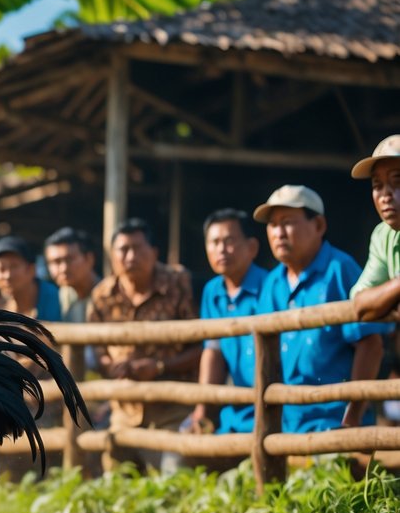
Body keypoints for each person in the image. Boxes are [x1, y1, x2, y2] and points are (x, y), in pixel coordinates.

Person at [254, 185, 390, 432]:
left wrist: (352, 417)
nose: (278, 233)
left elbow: (370, 345)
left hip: (333, 422)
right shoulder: (272, 283)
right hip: (285, 425)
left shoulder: (340, 269)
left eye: (287, 222)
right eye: (272, 225)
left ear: (318, 225)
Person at [88, 218, 200, 472]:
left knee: (174, 474)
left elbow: (202, 346)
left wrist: (160, 366)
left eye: (138, 249)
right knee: (115, 480)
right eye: (123, 250)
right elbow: (98, 350)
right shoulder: (102, 296)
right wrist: (111, 366)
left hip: (174, 407)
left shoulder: (179, 283)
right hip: (123, 412)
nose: (130, 257)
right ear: (112, 256)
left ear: (154, 253)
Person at [187, 209, 268, 436]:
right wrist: (202, 409)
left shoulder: (269, 286)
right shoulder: (212, 291)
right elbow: (212, 351)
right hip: (234, 410)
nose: (221, 249)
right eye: (214, 242)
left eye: (229, 241)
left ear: (252, 247)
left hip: (270, 405)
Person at [349, 135, 400, 320]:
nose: (385, 195)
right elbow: (360, 305)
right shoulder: (383, 235)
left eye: (397, 181)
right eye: (377, 185)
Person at [0, 235, 61, 321]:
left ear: (32, 270)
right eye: (1, 269)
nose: (7, 276)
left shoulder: (59, 300)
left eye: (14, 266)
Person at [43, 227, 99, 324]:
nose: (63, 268)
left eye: (69, 259)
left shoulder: (109, 296)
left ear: (89, 259)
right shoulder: (63, 295)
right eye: (56, 262)